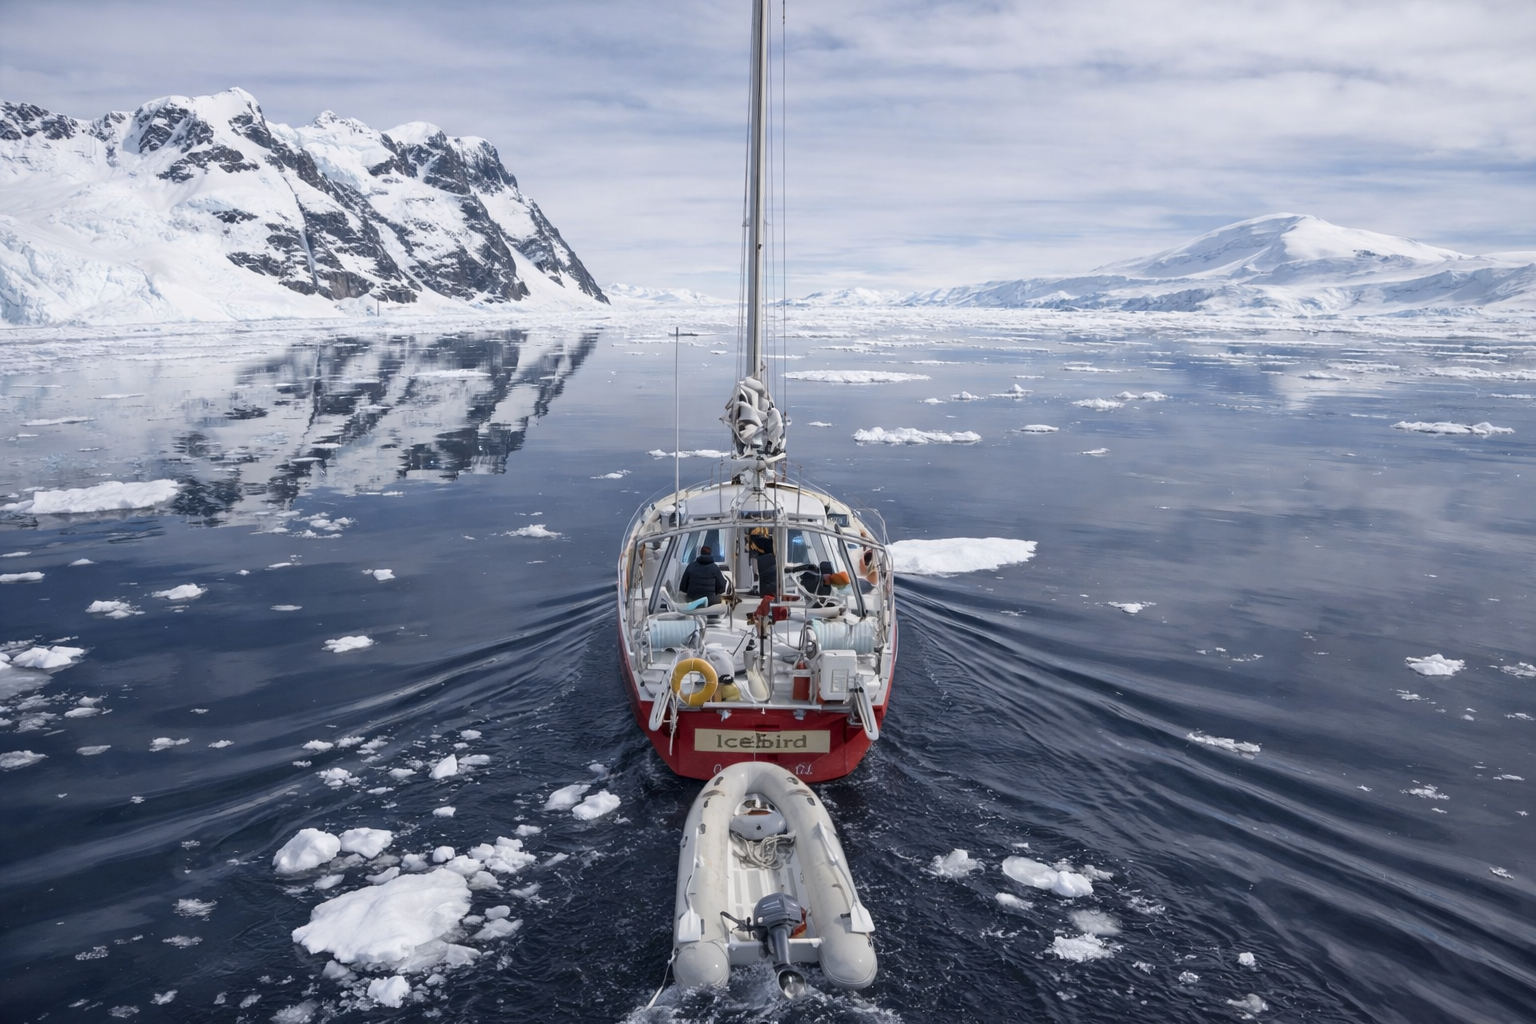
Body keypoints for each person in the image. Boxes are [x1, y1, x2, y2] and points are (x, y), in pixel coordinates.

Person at [747, 529, 777, 597]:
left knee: (755, 572)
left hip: (758, 556)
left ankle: (755, 587)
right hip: (763, 557)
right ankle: (756, 587)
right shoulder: (761, 540)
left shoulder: (756, 539)